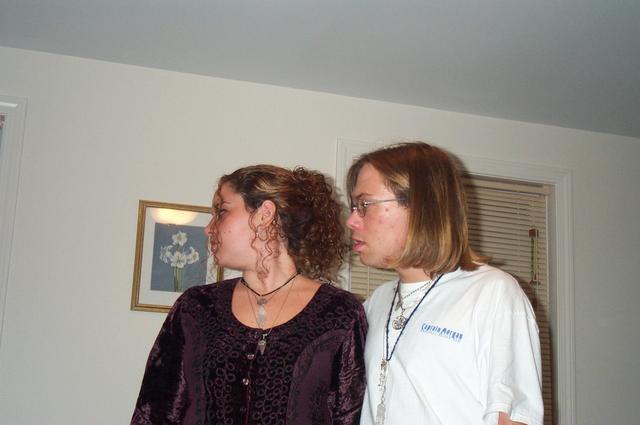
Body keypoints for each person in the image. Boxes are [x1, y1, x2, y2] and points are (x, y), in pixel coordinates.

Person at [131, 165, 367, 425]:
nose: (208, 228)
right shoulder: (196, 307)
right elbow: (154, 414)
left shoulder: (339, 313)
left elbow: (351, 416)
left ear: (265, 214)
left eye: (222, 211)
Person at [346, 142, 543, 425]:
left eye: (365, 205)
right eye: (354, 207)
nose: (351, 220)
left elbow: (513, 417)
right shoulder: (377, 302)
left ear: (420, 207)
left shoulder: (492, 292)